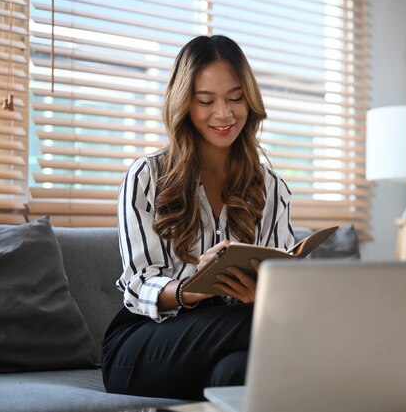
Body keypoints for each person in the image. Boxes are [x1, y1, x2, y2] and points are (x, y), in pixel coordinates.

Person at [102, 35, 295, 400]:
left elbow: (283, 279)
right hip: (143, 342)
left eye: (235, 98)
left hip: (233, 331)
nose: (224, 114)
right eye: (206, 101)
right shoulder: (147, 177)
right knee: (274, 327)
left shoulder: (272, 189)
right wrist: (196, 288)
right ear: (184, 105)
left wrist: (263, 295)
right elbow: (139, 283)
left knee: (237, 371)